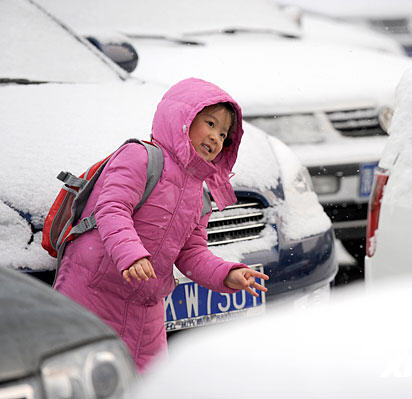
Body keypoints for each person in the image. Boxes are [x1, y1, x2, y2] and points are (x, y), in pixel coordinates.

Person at [54, 78, 268, 372]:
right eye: (209, 123)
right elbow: (112, 208)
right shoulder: (139, 157)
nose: (217, 138)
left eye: (224, 135)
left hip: (146, 312)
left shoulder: (199, 193)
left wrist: (227, 274)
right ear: (183, 118)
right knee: (79, 382)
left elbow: (192, 253)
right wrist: (132, 254)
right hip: (91, 294)